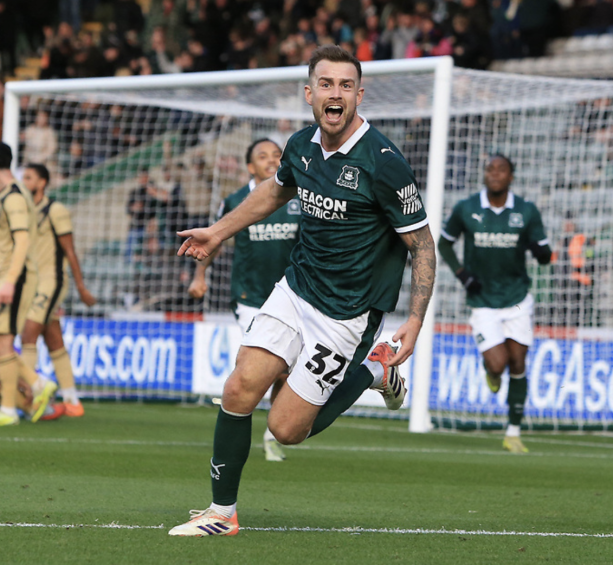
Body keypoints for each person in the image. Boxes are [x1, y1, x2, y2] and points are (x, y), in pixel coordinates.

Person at [169, 45, 435, 536]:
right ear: (310, 93)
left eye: (346, 85)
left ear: (359, 94)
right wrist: (219, 231)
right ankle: (222, 514)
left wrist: (414, 322)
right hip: (296, 288)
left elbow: (421, 245)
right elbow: (275, 190)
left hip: (347, 313)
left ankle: (374, 371)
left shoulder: (384, 162)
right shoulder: (301, 146)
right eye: (326, 84)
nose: (336, 94)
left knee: (286, 430)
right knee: (239, 387)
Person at [187, 138, 300, 462]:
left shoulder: (297, 199)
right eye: (262, 157)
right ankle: (240, 418)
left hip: (291, 296)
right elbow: (216, 237)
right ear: (250, 167)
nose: (271, 160)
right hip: (250, 297)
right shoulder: (237, 200)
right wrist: (199, 275)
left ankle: (272, 433)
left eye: (276, 155)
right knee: (273, 366)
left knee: (287, 369)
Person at [438, 154, 552, 454]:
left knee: (518, 363)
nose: (494, 173)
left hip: (516, 299)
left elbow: (544, 253)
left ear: (511, 176)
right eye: (490, 169)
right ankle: (491, 372)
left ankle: (513, 432)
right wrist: (462, 275)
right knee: (499, 363)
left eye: (501, 169)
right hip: (483, 300)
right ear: (484, 175)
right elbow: (444, 242)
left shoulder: (526, 211)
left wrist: (541, 251)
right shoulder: (467, 208)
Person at [0, 141, 56, 427]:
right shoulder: (10, 194)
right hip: (3, 276)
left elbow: (22, 241)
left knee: (3, 340)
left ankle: (8, 409)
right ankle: (36, 382)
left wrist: (10, 281)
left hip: (15, 276)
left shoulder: (12, 196)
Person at [19, 163, 97, 419]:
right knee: (53, 338)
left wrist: (81, 287)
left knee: (28, 334)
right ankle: (72, 400)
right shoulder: (27, 211)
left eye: (28, 177)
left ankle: (27, 397)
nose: (24, 181)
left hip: (52, 281)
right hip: (33, 282)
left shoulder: (56, 210)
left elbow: (70, 251)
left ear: (41, 183)